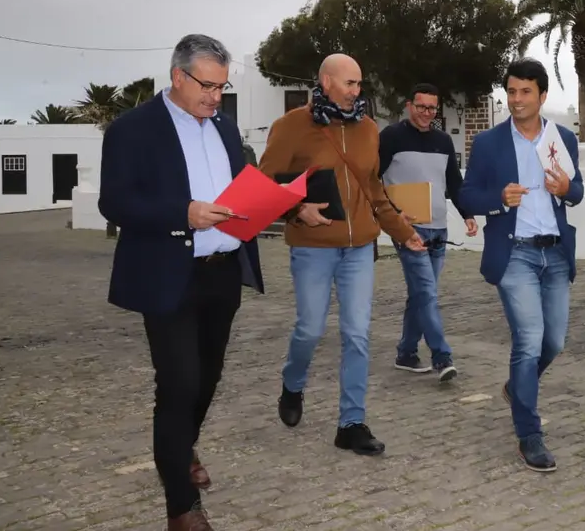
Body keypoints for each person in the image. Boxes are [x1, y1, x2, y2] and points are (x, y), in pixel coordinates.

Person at [99, 34, 265, 531]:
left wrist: (285, 205)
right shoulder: (133, 130)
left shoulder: (227, 129)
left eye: (222, 86)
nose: (216, 96)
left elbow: (240, 193)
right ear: (178, 77)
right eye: (208, 86)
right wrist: (183, 213)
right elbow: (115, 204)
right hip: (168, 277)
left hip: (223, 275)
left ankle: (178, 447)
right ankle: (181, 506)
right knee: (178, 385)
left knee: (207, 379)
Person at [257, 53, 425, 457]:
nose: (356, 91)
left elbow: (374, 192)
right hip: (312, 248)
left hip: (359, 250)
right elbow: (263, 185)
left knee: (357, 334)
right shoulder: (291, 127)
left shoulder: (368, 129)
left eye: (359, 84)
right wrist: (296, 210)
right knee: (310, 330)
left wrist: (404, 233)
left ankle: (351, 423)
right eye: (350, 83)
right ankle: (292, 384)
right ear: (326, 82)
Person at [458, 58, 583, 473]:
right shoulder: (489, 143)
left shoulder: (563, 137)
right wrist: (499, 197)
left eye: (525, 91)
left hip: (556, 254)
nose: (516, 99)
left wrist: (567, 188)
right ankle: (529, 434)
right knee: (528, 341)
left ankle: (517, 387)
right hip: (515, 254)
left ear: (542, 95)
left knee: (555, 342)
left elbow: (577, 190)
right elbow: (467, 196)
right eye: (511, 91)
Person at [379, 83, 478, 382]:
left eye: (432, 108)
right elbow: (373, 180)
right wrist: (393, 217)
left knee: (421, 295)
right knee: (426, 293)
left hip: (439, 229)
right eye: (421, 106)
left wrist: (468, 215)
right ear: (409, 105)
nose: (426, 113)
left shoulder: (444, 141)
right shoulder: (391, 137)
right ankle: (441, 356)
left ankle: (406, 353)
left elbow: (454, 183)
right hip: (408, 229)